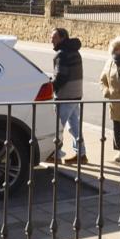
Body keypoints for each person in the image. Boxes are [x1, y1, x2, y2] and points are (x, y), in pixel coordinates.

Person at [46, 27, 87, 165]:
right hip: (76, 94)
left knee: (57, 127)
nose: (51, 40)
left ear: (62, 38)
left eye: (54, 37)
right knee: (74, 126)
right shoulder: (75, 52)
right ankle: (81, 155)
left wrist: (50, 89)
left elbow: (61, 77)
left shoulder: (61, 54)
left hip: (65, 96)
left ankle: (55, 155)